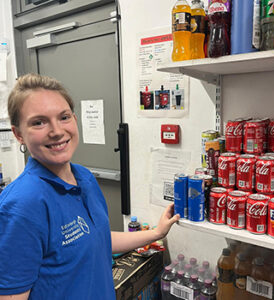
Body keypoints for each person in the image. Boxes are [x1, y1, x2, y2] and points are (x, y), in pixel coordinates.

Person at [0, 73, 180, 300]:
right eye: (39, 122)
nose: (56, 131)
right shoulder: (21, 205)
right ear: (18, 134)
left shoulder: (84, 177)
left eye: (63, 117)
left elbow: (98, 239)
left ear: (75, 120)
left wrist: (156, 232)